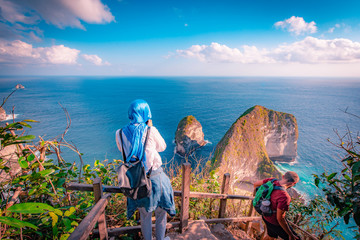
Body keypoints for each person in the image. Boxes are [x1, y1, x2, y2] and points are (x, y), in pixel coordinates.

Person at [116, 99, 175, 240]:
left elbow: (124, 151)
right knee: (161, 213)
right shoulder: (150, 130)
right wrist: (150, 127)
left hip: (135, 179)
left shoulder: (119, 133)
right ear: (146, 113)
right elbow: (163, 147)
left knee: (144, 214)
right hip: (155, 177)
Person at [253, 171, 300, 240]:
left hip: (265, 215)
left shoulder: (272, 180)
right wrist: (290, 234)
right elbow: (280, 218)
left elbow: (255, 184)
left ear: (283, 176)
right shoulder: (284, 197)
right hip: (274, 222)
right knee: (297, 239)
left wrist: (255, 196)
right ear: (293, 183)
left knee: (271, 237)